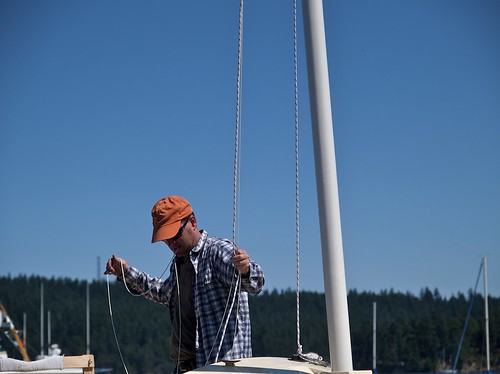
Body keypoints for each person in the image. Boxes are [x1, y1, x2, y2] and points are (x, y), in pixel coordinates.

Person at [105, 195, 265, 372]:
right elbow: (163, 293)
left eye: (174, 235)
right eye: (165, 239)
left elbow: (255, 283)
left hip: (222, 368)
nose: (171, 244)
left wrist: (245, 269)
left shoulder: (217, 251)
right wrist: (126, 272)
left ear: (193, 222)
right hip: (189, 367)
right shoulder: (179, 263)